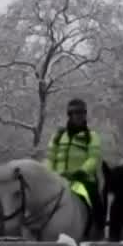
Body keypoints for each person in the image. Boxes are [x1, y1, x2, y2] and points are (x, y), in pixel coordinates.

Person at [46, 98, 105, 238]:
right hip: (59, 180)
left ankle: (97, 230)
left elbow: (93, 158)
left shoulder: (91, 136)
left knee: (94, 201)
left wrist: (82, 171)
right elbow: (50, 158)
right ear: (69, 115)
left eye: (82, 113)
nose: (79, 116)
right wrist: (50, 174)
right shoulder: (58, 136)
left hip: (82, 180)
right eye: (75, 113)